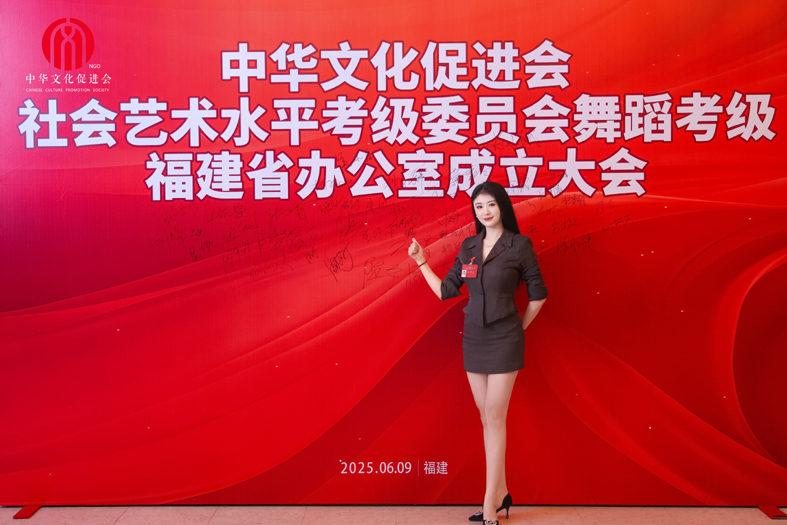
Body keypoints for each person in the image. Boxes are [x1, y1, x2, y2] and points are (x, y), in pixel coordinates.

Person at [407, 181, 547, 525]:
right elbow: (446, 290)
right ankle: (501, 494)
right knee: (486, 416)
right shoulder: (469, 246)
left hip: (505, 338)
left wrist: (519, 330)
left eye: (491, 205)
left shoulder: (519, 245)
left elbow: (539, 294)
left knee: (495, 416)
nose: (485, 212)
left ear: (503, 207)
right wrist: (421, 262)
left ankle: (488, 504)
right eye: (479, 206)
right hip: (474, 337)